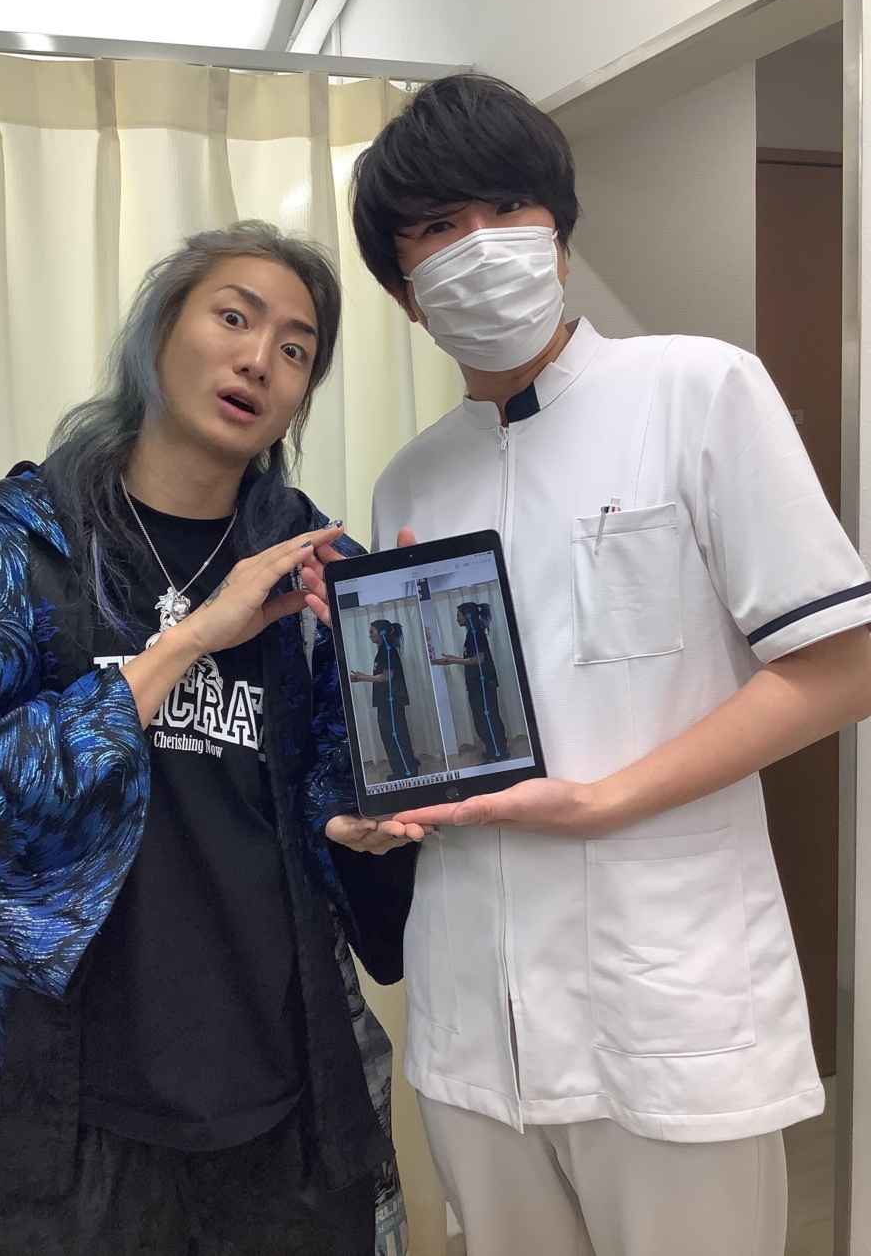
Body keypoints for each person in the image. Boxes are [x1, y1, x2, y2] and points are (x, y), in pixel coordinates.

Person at [347, 74, 871, 1256]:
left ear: (560, 236)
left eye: (504, 208)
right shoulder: (409, 478)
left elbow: (840, 666)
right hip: (473, 1022)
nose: (478, 245)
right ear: (405, 295)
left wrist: (601, 801)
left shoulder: (699, 389)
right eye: (436, 226)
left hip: (664, 1002)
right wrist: (393, 807)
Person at [0, 222, 423, 1256]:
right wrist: (186, 641)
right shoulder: (3, 545)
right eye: (233, 317)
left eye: (295, 349)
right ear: (158, 331)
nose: (258, 360)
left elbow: (340, 805)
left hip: (281, 1098)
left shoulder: (316, 571)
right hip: (70, 1109)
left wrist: (378, 786)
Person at [432, 602, 508, 762]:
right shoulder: (472, 634)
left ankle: (499, 752)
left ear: (467, 616)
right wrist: (452, 659)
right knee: (484, 719)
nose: (456, 619)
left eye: (458, 615)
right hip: (478, 684)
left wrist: (453, 661)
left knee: (487, 719)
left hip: (483, 684)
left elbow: (479, 659)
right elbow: (473, 658)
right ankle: (494, 750)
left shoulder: (476, 634)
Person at [351, 620, 421, 779]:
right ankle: (408, 767)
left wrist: (362, 678)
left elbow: (386, 676)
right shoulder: (385, 651)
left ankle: (405, 772)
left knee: (393, 736)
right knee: (396, 735)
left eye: (372, 632)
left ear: (382, 633)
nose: (369, 636)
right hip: (388, 701)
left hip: (391, 701)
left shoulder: (387, 651)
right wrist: (364, 676)